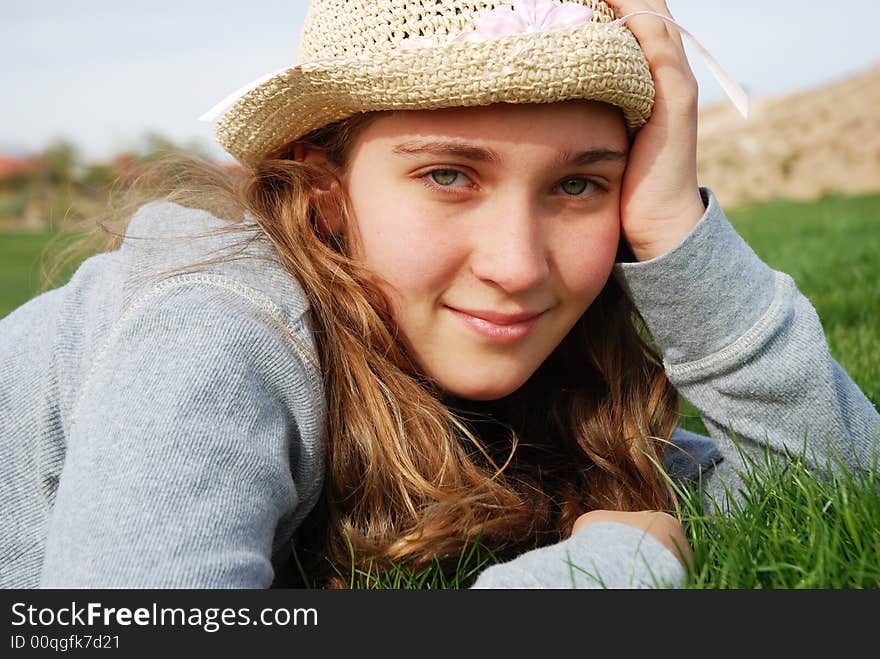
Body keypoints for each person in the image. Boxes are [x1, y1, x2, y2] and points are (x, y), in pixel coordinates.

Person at [1, 0, 877, 590]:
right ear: (328, 189)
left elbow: (836, 488)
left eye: (579, 186)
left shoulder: (545, 362)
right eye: (450, 174)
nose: (518, 264)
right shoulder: (219, 320)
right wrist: (598, 572)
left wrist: (674, 228)